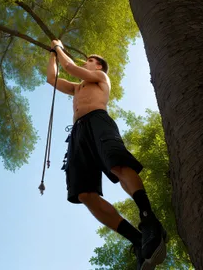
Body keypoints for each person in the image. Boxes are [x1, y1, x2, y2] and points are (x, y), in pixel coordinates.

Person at [46, 39, 168, 270]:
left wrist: (59, 46)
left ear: (98, 66)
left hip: (98, 122)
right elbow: (51, 79)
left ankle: (149, 220)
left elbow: (70, 67)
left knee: (117, 165)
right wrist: (52, 54)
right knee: (84, 194)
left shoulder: (101, 79)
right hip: (78, 134)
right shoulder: (76, 87)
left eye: (90, 61)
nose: (86, 62)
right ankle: (138, 240)